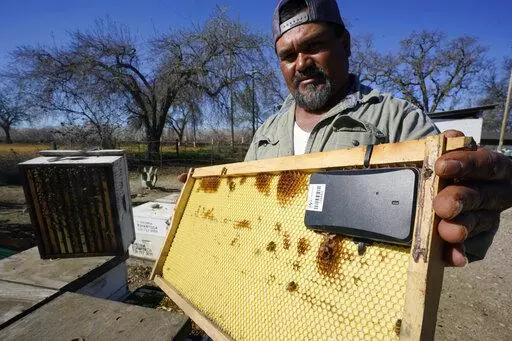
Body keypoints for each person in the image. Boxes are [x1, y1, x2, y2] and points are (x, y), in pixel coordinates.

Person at [243, 0, 512, 266]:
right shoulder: (266, 134)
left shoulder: (397, 120)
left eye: (313, 46)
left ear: (345, 44)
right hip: (267, 291)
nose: (301, 64)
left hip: (354, 302)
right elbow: (240, 215)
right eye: (288, 56)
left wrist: (474, 209)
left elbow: (453, 220)